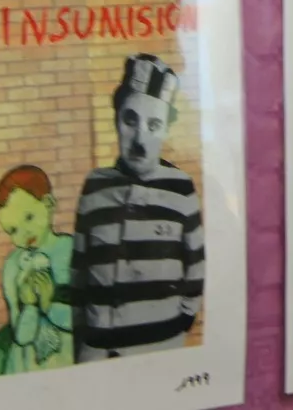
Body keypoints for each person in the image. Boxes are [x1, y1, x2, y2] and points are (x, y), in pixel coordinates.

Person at [72, 54, 204, 361]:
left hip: (157, 349)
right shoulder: (94, 186)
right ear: (116, 119)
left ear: (166, 129)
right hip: (96, 352)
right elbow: (79, 273)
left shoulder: (180, 188)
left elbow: (195, 268)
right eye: (130, 120)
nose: (140, 138)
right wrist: (85, 337)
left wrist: (175, 327)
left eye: (154, 124)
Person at [0, 165, 74, 375]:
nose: (24, 233)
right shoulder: (13, 266)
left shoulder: (71, 250)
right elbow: (21, 337)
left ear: (48, 203)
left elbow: (85, 320)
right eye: (13, 230)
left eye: (28, 218)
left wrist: (48, 304)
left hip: (70, 359)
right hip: (26, 365)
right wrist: (29, 305)